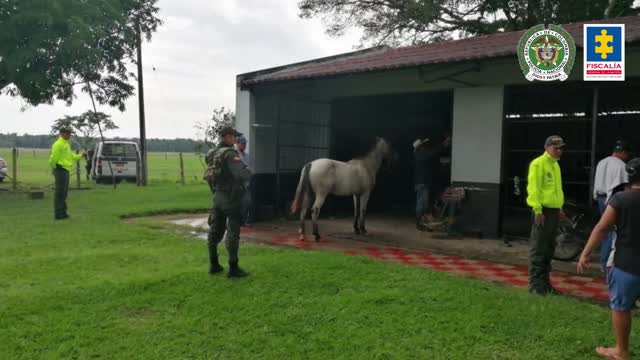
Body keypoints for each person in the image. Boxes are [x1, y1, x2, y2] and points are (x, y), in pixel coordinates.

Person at [577, 157, 640, 360]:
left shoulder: (621, 199)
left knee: (621, 307)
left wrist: (585, 253)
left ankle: (622, 350)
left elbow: (602, 228)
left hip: (626, 264)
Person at [206, 126, 252, 278]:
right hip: (231, 199)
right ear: (227, 137)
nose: (236, 140)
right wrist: (248, 171)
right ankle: (233, 268)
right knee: (233, 233)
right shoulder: (230, 154)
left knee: (215, 230)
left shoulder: (211, 153)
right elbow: (242, 174)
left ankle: (214, 264)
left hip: (217, 197)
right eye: (234, 137)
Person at [526, 135, 566, 295]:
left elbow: (557, 189)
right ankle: (536, 285)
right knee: (539, 248)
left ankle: (545, 283)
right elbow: (533, 188)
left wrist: (560, 208)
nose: (559, 151)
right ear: (547, 147)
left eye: (561, 148)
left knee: (549, 248)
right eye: (556, 148)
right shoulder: (538, 164)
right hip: (542, 211)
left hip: (554, 211)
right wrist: (537, 209)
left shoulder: (556, 165)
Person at [593, 140, 633, 272]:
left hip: (600, 197)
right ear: (622, 152)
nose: (627, 156)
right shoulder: (622, 165)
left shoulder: (602, 162)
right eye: (626, 153)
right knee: (612, 232)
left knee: (604, 229)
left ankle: (604, 263)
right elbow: (626, 186)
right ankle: (606, 265)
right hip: (612, 199)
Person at [413, 136, 451, 231]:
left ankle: (421, 223)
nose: (425, 146)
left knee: (421, 204)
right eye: (423, 145)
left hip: (420, 183)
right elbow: (433, 153)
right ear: (421, 147)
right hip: (423, 183)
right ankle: (420, 224)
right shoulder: (422, 155)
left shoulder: (419, 155)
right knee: (423, 204)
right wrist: (443, 144)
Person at [48, 128, 84, 220]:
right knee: (59, 193)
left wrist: (81, 155)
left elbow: (71, 156)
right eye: (67, 134)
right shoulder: (58, 144)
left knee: (64, 193)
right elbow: (53, 158)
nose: (69, 136)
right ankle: (58, 214)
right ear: (62, 134)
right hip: (60, 169)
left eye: (70, 134)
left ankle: (63, 213)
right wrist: (54, 167)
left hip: (66, 170)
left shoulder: (66, 144)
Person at [235, 135, 253, 225]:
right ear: (237, 144)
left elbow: (248, 168)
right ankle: (236, 221)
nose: (244, 145)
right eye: (242, 143)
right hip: (237, 183)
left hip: (246, 182)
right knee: (237, 203)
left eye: (245, 143)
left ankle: (243, 220)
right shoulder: (234, 154)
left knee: (247, 202)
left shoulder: (247, 156)